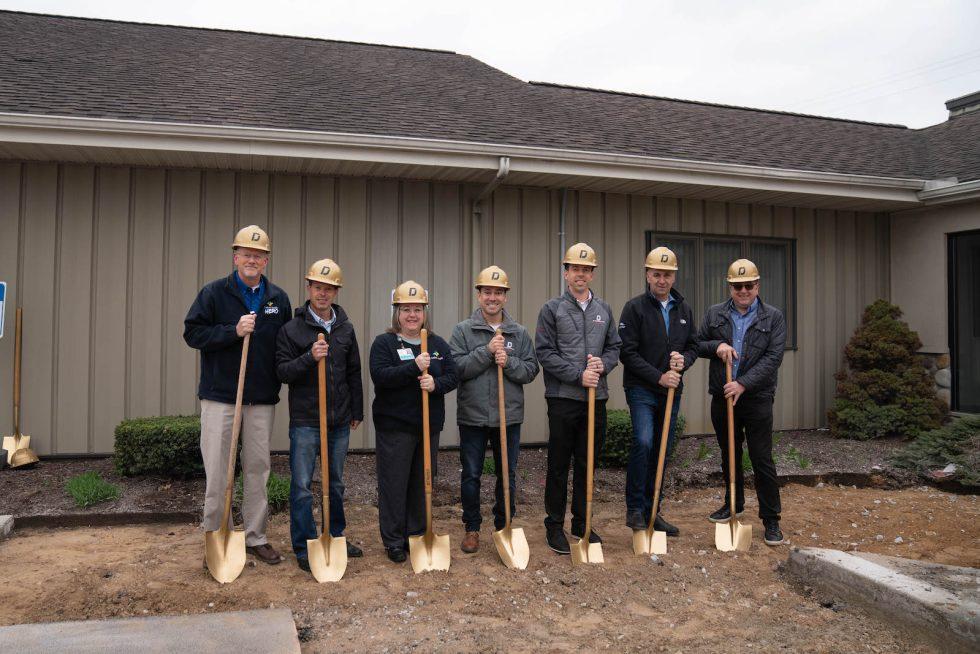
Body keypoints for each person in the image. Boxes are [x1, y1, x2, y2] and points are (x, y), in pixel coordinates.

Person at [184, 225, 292, 565]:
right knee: (218, 469)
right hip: (221, 398)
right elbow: (193, 333)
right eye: (247, 254)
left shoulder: (278, 299)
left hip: (260, 399)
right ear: (236, 257)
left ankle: (255, 536)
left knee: (258, 468)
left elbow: (285, 345)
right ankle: (217, 534)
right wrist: (233, 331)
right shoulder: (214, 293)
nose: (252, 260)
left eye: (259, 256)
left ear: (266, 261)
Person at [276, 258, 364, 574]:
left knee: (336, 482)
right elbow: (283, 371)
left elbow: (354, 370)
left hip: (339, 419)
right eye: (318, 287)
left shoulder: (345, 327)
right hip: (305, 420)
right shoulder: (292, 328)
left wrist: (357, 409)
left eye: (329, 289)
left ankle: (335, 536)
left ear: (336, 292)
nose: (323, 293)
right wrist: (309, 358)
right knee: (301, 485)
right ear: (309, 288)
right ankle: (304, 544)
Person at [535, 242, 621, 554]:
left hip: (596, 399)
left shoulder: (604, 310)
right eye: (575, 269)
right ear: (566, 273)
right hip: (563, 398)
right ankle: (554, 525)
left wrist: (603, 364)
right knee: (559, 463)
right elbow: (544, 352)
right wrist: (577, 374)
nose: (580, 274)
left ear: (592, 274)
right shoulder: (552, 309)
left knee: (588, 463)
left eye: (586, 269)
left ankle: (582, 522)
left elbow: (615, 347)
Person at [696, 258, 787, 546]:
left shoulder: (773, 317)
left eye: (748, 285)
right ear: (730, 287)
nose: (743, 290)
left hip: (756, 397)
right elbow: (697, 344)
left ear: (757, 286)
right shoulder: (715, 314)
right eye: (737, 286)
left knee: (761, 458)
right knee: (729, 454)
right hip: (723, 396)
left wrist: (744, 383)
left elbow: (774, 358)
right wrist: (717, 346)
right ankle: (733, 504)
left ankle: (771, 519)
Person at [450, 266, 539, 554]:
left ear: (505, 297)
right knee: (471, 474)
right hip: (473, 416)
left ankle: (504, 526)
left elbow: (530, 370)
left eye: (498, 292)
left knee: (507, 474)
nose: (493, 297)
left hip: (507, 417)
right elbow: (457, 369)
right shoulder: (463, 330)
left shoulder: (519, 332)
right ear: (479, 295)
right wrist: (486, 352)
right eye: (487, 291)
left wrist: (508, 362)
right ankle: (472, 528)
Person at [369, 281, 458, 563]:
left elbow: (454, 376)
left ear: (424, 312)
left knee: (423, 483)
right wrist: (414, 368)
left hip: (428, 426)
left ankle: (416, 534)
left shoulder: (437, 344)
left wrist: (435, 383)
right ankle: (394, 540)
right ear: (396, 312)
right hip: (395, 426)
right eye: (405, 309)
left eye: (417, 309)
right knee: (394, 484)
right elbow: (381, 377)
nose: (411, 315)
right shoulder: (384, 343)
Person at [618, 246, 698, 536]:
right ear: (648, 275)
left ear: (673, 277)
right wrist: (658, 377)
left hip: (672, 391)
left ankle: (654, 510)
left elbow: (693, 346)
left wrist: (683, 362)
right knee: (644, 441)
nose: (662, 280)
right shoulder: (635, 307)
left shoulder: (684, 309)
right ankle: (635, 509)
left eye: (667, 275)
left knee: (662, 451)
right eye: (656, 274)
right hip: (641, 388)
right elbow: (627, 352)